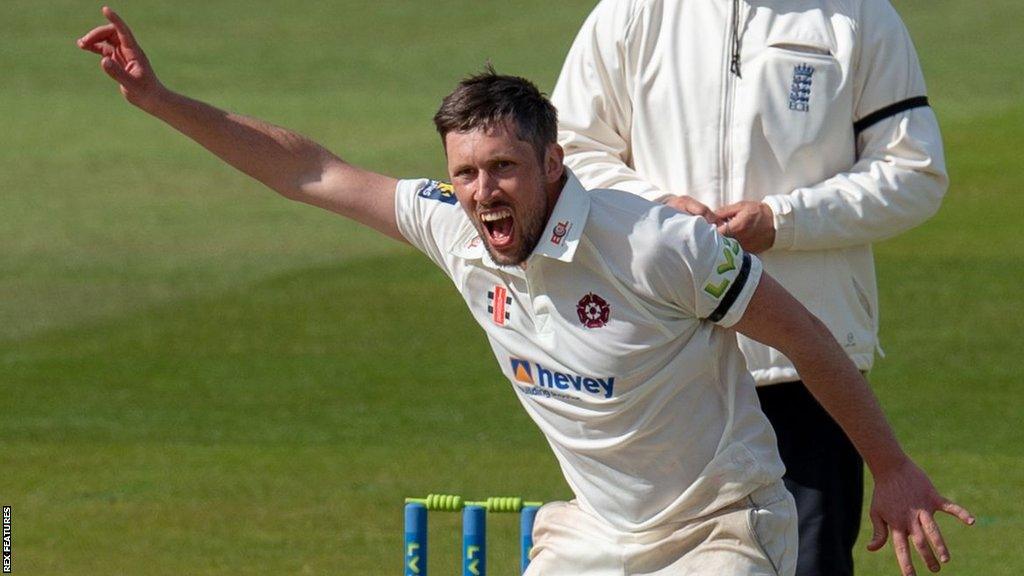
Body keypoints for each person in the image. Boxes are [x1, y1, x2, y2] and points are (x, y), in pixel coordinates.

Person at [78, 7, 972, 575]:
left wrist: (892, 470)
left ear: (554, 164)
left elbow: (810, 337)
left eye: (504, 169)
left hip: (723, 534)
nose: (483, 194)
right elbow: (307, 168)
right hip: (598, 535)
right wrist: (160, 99)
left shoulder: (659, 244)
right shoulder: (451, 227)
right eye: (465, 173)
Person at [551, 1, 949, 574]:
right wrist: (658, 210)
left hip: (808, 367)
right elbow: (566, 152)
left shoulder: (858, 13)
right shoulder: (633, 11)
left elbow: (915, 173)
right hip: (663, 367)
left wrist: (783, 221)